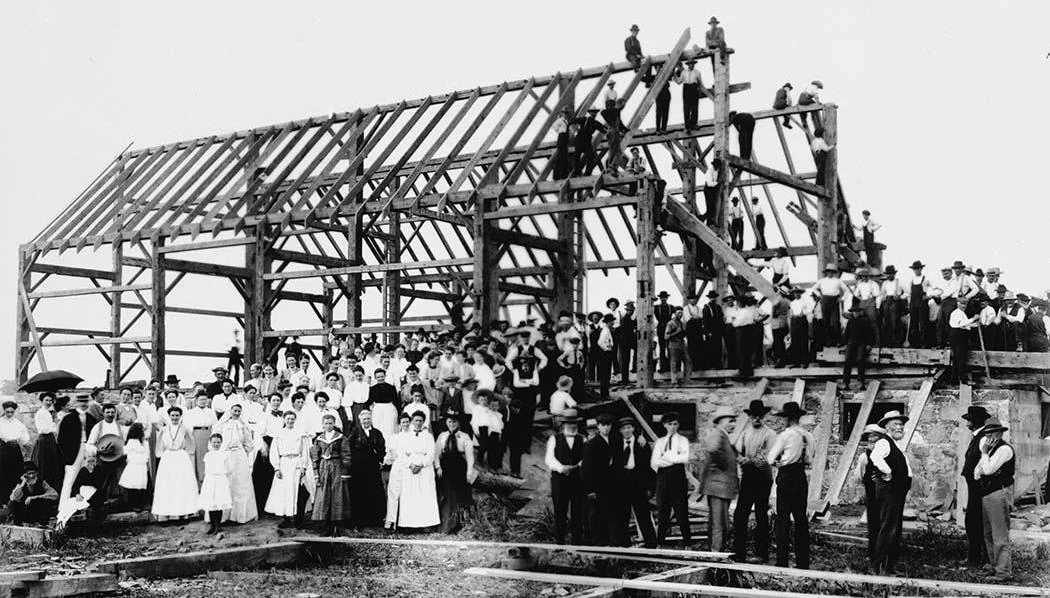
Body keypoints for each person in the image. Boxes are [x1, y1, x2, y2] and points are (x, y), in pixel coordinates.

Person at [767, 401, 813, 569]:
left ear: (788, 418)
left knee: (783, 519)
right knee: (801, 519)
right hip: (800, 476)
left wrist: (780, 461)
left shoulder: (786, 435)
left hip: (786, 476)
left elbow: (770, 458)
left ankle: (782, 561)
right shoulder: (808, 436)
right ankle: (803, 562)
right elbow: (809, 459)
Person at [869, 410, 912, 575]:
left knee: (894, 528)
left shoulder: (895, 445)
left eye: (901, 424)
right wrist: (887, 472)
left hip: (897, 492)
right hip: (890, 492)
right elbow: (875, 457)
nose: (900, 427)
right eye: (896, 424)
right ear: (887, 427)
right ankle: (878, 566)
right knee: (888, 528)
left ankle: (889, 566)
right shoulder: (884, 443)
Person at [732, 399, 776, 563]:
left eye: (759, 416)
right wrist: (741, 459)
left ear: (763, 416)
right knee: (740, 514)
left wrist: (749, 460)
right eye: (753, 416)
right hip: (748, 476)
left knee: (760, 514)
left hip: (762, 477)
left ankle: (762, 553)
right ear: (750, 416)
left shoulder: (769, 434)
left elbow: (766, 458)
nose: (756, 419)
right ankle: (739, 552)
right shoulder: (745, 433)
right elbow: (737, 452)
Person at [972, 418, 1014, 582]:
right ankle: (993, 565)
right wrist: (985, 460)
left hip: (999, 492)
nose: (990, 438)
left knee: (999, 534)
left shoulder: (1004, 450)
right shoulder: (991, 451)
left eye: (993, 434)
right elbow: (977, 473)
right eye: (987, 434)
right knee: (988, 533)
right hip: (988, 492)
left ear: (1000, 434)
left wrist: (984, 455)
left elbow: (987, 470)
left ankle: (1003, 571)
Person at [611, 417, 655, 547]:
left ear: (633, 429)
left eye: (629, 427)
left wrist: (650, 487)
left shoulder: (642, 444)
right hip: (622, 483)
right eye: (624, 428)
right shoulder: (616, 444)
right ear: (620, 431)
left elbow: (648, 467)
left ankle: (651, 543)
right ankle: (625, 544)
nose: (626, 430)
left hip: (638, 482)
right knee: (623, 514)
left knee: (643, 514)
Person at [393, 411, 441, 530]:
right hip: (410, 468)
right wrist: (410, 465)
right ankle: (409, 525)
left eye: (420, 420)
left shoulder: (428, 436)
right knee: (410, 495)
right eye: (416, 420)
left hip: (424, 468)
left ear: (424, 422)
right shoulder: (406, 436)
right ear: (412, 421)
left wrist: (422, 465)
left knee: (425, 494)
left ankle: (426, 524)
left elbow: (431, 453)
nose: (418, 423)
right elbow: (400, 452)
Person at [266, 411, 313, 529]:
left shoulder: (300, 434)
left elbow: (305, 452)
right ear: (284, 419)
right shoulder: (279, 434)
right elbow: (274, 452)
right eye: (288, 419)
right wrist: (277, 468)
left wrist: (304, 466)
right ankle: (286, 519)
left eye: (292, 419)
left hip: (297, 463)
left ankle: (298, 520)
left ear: (295, 420)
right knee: (284, 492)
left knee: (299, 492)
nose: (290, 421)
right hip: (284, 464)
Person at [152, 406, 200, 520]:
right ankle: (167, 513)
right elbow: (159, 445)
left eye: (177, 415)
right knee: (168, 484)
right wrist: (162, 454)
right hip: (168, 457)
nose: (174, 418)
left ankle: (183, 513)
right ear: (169, 416)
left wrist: (188, 454)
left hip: (181, 457)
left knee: (181, 484)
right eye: (172, 415)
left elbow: (191, 444)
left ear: (180, 416)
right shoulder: (164, 429)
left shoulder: (185, 429)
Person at [700, 407, 738, 552]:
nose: (733, 424)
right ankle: (716, 552)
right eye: (731, 421)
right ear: (721, 422)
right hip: (718, 486)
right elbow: (712, 449)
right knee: (719, 523)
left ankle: (716, 550)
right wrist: (722, 465)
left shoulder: (723, 435)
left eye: (734, 421)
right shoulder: (717, 433)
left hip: (721, 486)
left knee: (719, 521)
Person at [546, 408, 585, 544]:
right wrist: (562, 468)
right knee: (560, 511)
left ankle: (577, 543)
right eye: (569, 423)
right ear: (563, 424)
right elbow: (549, 459)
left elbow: (586, 457)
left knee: (577, 511)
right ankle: (560, 543)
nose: (572, 425)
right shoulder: (554, 439)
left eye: (574, 423)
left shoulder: (582, 439)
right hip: (559, 480)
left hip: (577, 480)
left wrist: (575, 466)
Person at [652, 411, 691, 546]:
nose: (673, 427)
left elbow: (685, 458)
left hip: (677, 477)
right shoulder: (660, 442)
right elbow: (655, 462)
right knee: (663, 510)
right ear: (664, 425)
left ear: (678, 425)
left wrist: (667, 457)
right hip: (662, 477)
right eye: (670, 424)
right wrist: (673, 458)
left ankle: (687, 544)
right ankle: (660, 543)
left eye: (675, 424)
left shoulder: (683, 440)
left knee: (681, 511)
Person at [435, 409, 475, 534]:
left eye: (454, 422)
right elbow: (436, 453)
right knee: (447, 495)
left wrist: (469, 473)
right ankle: (446, 524)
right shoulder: (442, 436)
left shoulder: (465, 436)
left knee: (459, 495)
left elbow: (469, 456)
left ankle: (459, 524)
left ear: (458, 423)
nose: (452, 424)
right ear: (446, 422)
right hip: (445, 468)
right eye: (450, 422)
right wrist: (438, 467)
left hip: (459, 468)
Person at [961, 405, 992, 567]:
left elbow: (984, 461)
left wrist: (978, 476)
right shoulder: (977, 437)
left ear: (975, 422)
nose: (967, 423)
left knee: (976, 521)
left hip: (979, 486)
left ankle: (979, 559)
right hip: (974, 486)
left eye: (969, 420)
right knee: (972, 520)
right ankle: (974, 557)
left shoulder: (983, 438)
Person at [311, 414, 351, 536]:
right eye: (326, 423)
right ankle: (326, 527)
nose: (328, 426)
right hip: (324, 468)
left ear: (334, 424)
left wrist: (344, 472)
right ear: (322, 425)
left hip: (337, 467)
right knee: (324, 495)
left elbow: (346, 455)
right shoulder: (319, 439)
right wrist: (316, 474)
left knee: (337, 495)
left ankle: (337, 527)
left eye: (330, 423)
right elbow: (315, 457)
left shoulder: (341, 438)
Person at [216, 404, 257, 523]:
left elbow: (249, 443)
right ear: (230, 411)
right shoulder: (222, 424)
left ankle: (240, 515)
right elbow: (215, 439)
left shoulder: (243, 425)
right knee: (226, 483)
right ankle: (224, 515)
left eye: (239, 411)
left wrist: (243, 452)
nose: (237, 413)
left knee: (240, 484)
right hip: (225, 455)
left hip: (239, 456)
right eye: (235, 411)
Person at [582, 413, 617, 545]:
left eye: (608, 425)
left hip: (612, 484)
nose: (606, 428)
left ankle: (611, 542)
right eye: (603, 425)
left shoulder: (615, 440)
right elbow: (587, 468)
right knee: (596, 514)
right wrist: (590, 489)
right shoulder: (591, 444)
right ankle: (597, 543)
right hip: (597, 485)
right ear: (598, 426)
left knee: (611, 513)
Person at [347, 410, 386, 528]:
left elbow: (382, 448)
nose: (366, 421)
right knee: (359, 491)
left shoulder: (377, 433)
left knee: (374, 490)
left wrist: (380, 460)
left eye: (368, 418)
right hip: (358, 466)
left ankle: (375, 519)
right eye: (364, 419)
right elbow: (348, 447)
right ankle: (359, 520)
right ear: (360, 420)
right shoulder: (355, 432)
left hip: (372, 466)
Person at [854, 423, 887, 564]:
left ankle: (884, 554)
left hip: (886, 494)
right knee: (873, 523)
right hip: (872, 493)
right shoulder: (864, 457)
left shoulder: (886, 455)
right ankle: (873, 553)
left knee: (885, 522)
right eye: (870, 436)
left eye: (875, 436)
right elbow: (859, 476)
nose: (871, 439)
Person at [198, 433, 233, 535]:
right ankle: (212, 525)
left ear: (221, 443)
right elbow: (206, 469)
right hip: (210, 479)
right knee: (211, 503)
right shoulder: (208, 455)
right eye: (214, 442)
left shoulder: (225, 454)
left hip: (220, 479)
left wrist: (223, 475)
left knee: (219, 502)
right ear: (210, 443)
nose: (216, 444)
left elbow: (229, 469)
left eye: (218, 442)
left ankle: (218, 526)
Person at [57, 394, 98, 480]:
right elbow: (61, 439)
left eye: (85, 402)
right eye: (81, 402)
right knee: (70, 478)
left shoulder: (91, 419)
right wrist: (67, 454)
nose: (83, 404)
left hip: (88, 452)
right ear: (77, 403)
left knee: (89, 475)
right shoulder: (68, 419)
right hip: (72, 453)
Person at [31, 392, 61, 492]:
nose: (48, 402)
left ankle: (52, 488)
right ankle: (43, 488)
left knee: (52, 464)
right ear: (42, 401)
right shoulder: (40, 413)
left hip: (50, 440)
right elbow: (43, 429)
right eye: (46, 400)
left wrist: (53, 422)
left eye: (50, 400)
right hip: (44, 440)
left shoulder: (48, 413)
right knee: (44, 464)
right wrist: (54, 424)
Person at [842, 301, 875, 389]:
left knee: (860, 360)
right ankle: (846, 383)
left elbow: (870, 333)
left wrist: (869, 344)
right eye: (854, 312)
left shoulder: (864, 321)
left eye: (857, 312)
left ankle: (861, 382)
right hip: (851, 342)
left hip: (861, 342)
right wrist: (845, 343)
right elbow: (846, 333)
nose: (855, 313)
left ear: (859, 312)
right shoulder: (850, 321)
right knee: (847, 361)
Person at [815, 263, 848, 346]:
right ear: (826, 272)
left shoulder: (838, 281)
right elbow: (814, 289)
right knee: (826, 322)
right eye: (828, 271)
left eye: (831, 272)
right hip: (825, 300)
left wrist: (842, 298)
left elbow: (846, 290)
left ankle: (838, 341)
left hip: (834, 301)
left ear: (834, 272)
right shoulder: (822, 281)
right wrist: (820, 296)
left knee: (836, 321)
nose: (830, 273)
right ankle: (828, 341)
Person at [118, 423, 150, 508]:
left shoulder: (144, 442)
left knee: (141, 485)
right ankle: (134, 504)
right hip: (134, 465)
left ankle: (140, 503)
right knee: (134, 485)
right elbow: (126, 452)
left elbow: (147, 454)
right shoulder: (132, 442)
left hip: (142, 465)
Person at [950, 297, 980, 384]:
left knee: (957, 358)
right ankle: (964, 379)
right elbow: (961, 324)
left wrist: (974, 325)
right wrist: (973, 318)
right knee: (961, 358)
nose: (964, 306)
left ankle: (954, 379)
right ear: (958, 304)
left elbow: (965, 325)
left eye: (965, 304)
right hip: (958, 335)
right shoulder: (956, 313)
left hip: (960, 334)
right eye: (962, 304)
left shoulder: (962, 313)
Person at [573, 108, 606, 176]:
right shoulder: (584, 119)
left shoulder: (595, 123)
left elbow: (603, 129)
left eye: (595, 112)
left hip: (587, 141)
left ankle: (587, 173)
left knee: (590, 157)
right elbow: (573, 121)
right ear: (590, 113)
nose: (594, 114)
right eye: (592, 112)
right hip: (580, 140)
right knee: (577, 157)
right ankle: (577, 172)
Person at [907, 261, 931, 348]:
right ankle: (914, 343)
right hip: (913, 304)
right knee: (913, 324)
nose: (916, 270)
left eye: (918, 268)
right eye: (914, 269)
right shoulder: (911, 280)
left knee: (923, 324)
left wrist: (928, 295)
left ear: (921, 268)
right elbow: (909, 293)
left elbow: (932, 289)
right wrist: (909, 304)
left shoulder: (926, 279)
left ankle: (924, 343)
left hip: (922, 304)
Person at [788, 288, 812, 367]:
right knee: (795, 342)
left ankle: (805, 362)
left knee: (803, 341)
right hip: (794, 321)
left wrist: (803, 313)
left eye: (798, 292)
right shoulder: (792, 303)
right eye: (795, 293)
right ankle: (796, 362)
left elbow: (809, 310)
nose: (796, 294)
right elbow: (791, 312)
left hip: (802, 320)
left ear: (801, 293)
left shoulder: (804, 301)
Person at [675, 60, 702, 131]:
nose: (691, 65)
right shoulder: (684, 72)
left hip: (694, 88)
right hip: (686, 88)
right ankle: (687, 126)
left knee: (694, 108)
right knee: (686, 108)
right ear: (688, 65)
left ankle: (694, 124)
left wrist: (699, 90)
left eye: (692, 64)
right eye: (690, 64)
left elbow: (700, 82)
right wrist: (674, 75)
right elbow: (679, 81)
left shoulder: (697, 72)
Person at [665, 307, 688, 386]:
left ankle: (684, 380)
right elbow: (666, 336)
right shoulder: (670, 323)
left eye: (681, 313)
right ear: (674, 313)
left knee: (686, 361)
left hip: (681, 345)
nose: (680, 315)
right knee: (674, 364)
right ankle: (674, 382)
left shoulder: (681, 323)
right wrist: (676, 332)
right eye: (678, 313)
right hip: (673, 345)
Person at [654, 291, 673, 372]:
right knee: (662, 348)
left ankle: (670, 367)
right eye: (662, 298)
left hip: (669, 328)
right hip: (661, 328)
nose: (663, 299)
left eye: (665, 297)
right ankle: (663, 367)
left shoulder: (671, 307)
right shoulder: (656, 307)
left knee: (669, 347)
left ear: (667, 298)